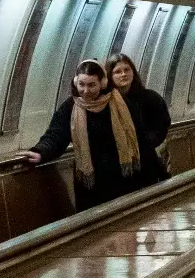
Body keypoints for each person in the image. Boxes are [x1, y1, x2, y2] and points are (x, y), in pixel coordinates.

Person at [18, 59, 151, 208]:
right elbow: (56, 135)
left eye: (91, 85)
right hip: (91, 182)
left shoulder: (122, 104)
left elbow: (138, 138)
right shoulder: (71, 107)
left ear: (103, 83)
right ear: (76, 82)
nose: (86, 90)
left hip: (123, 177)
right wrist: (40, 152)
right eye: (82, 84)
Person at [105, 53, 171, 185]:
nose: (123, 74)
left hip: (147, 161)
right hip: (117, 166)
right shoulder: (105, 103)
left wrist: (147, 142)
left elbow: (162, 123)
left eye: (127, 70)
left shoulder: (150, 98)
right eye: (118, 71)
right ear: (109, 76)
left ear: (133, 72)